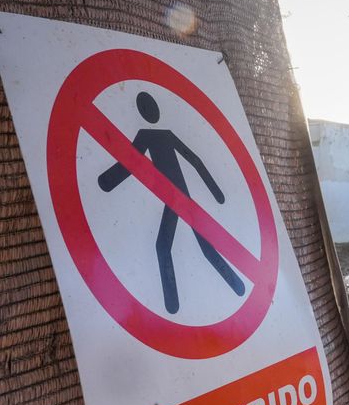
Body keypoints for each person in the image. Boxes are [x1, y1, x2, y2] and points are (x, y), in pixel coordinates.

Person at [98, 91, 245, 314]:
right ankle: (231, 287)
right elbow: (193, 161)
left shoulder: (148, 135)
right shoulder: (161, 134)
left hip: (176, 199)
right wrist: (216, 193)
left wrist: (107, 181)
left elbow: (131, 164)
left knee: (167, 246)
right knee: (199, 246)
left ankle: (174, 303)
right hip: (179, 198)